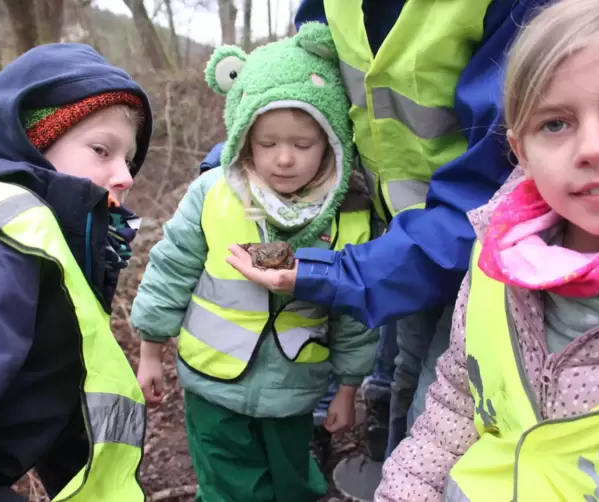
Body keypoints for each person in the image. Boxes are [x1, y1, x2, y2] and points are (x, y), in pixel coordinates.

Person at [218, 0, 552, 497]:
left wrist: (328, 273)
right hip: (395, 241)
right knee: (402, 371)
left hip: (485, 256)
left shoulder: (516, 12)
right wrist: (236, 165)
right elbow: (299, 89)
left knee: (443, 413)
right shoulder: (328, 8)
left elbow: (492, 186)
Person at [376, 0, 599, 499]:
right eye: (555, 124)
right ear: (521, 150)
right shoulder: (497, 258)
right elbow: (458, 397)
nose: (592, 148)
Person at [130, 23, 378, 502]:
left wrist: (347, 386)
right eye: (267, 144)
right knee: (227, 487)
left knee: (294, 484)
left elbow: (353, 310)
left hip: (293, 389)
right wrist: (150, 349)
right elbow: (170, 269)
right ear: (243, 138)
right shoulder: (213, 194)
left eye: (303, 145)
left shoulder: (349, 213)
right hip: (211, 384)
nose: (284, 159)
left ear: (332, 140)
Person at [0, 43, 152, 502]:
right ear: (33, 145)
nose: (126, 176)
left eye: (128, 160)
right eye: (101, 150)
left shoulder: (56, 247)